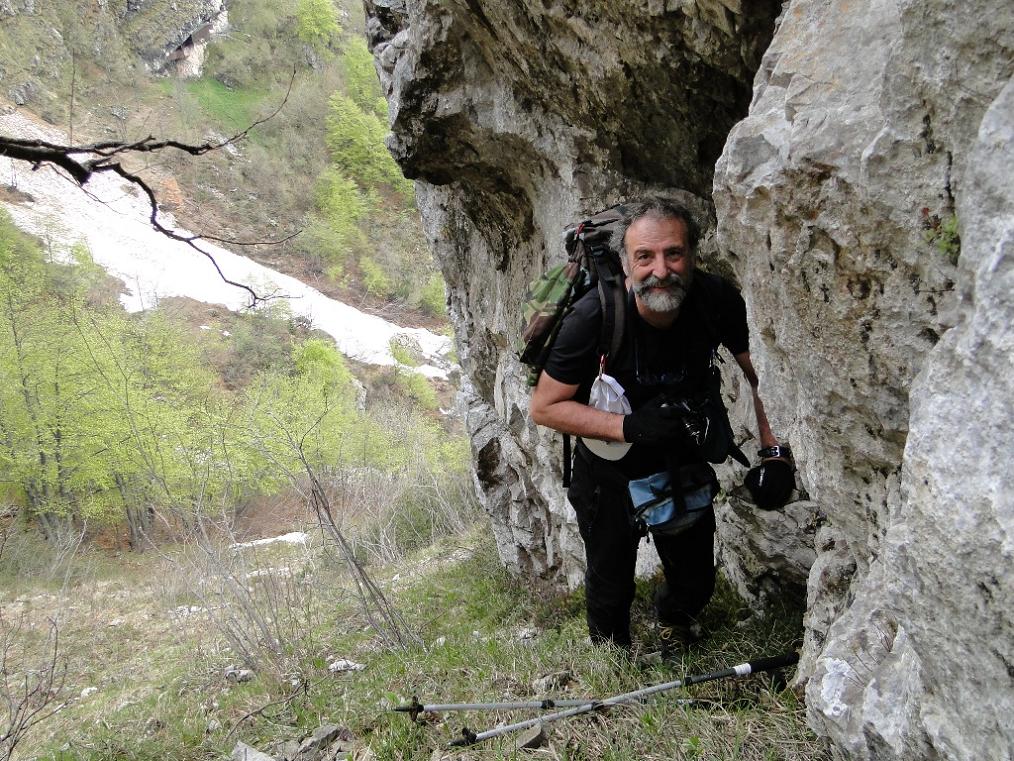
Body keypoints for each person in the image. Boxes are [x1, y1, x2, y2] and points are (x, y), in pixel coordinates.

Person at [530, 197, 786, 649]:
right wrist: (629, 428)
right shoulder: (594, 317)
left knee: (695, 575)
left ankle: (676, 622)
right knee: (610, 582)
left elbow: (760, 373)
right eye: (644, 257)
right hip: (607, 465)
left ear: (692, 256)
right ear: (627, 264)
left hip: (679, 452)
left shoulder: (714, 300)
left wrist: (774, 452)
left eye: (673, 253)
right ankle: (613, 656)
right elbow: (546, 407)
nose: (660, 270)